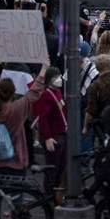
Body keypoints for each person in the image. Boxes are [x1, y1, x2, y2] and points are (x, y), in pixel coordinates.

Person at [0, 57, 48, 176]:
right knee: (16, 191)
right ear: (13, 92)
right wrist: (43, 70)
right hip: (17, 161)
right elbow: (33, 92)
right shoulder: (18, 108)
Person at [34, 66, 67, 196]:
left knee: (62, 166)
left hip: (61, 133)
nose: (58, 79)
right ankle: (48, 193)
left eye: (59, 76)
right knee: (53, 167)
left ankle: (57, 191)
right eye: (55, 77)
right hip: (54, 136)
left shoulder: (58, 92)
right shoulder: (47, 95)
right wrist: (47, 137)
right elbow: (43, 118)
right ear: (49, 80)